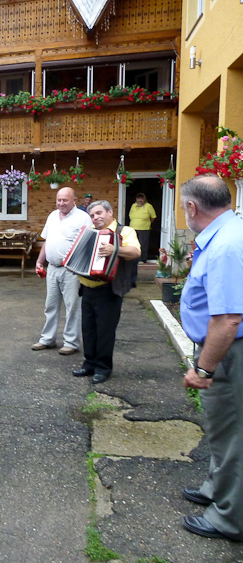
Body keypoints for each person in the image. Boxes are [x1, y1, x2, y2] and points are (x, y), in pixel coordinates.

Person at [178, 174, 243, 541]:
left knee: (234, 434)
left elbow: (229, 318)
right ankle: (217, 489)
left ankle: (230, 518)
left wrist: (203, 368)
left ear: (192, 207)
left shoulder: (226, 245)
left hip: (230, 352)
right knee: (222, 429)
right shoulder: (227, 233)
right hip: (226, 348)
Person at [72, 200, 140, 384]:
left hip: (109, 290)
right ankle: (89, 364)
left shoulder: (125, 231)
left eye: (99, 213)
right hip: (87, 289)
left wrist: (115, 249)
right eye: (92, 215)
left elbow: (135, 252)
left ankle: (103, 368)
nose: (95, 218)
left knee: (105, 331)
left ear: (110, 212)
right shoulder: (90, 233)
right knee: (88, 329)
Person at [32, 187, 92, 356]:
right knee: (50, 306)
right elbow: (47, 241)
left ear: (74, 200)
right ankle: (47, 339)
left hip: (72, 271)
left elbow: (89, 244)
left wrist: (81, 268)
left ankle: (71, 342)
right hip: (52, 268)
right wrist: (39, 261)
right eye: (59, 200)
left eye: (65, 200)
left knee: (72, 307)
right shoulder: (52, 216)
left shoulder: (83, 218)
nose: (61, 203)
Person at [128, 192, 157, 286]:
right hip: (133, 227)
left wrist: (147, 223)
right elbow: (130, 215)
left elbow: (153, 217)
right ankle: (134, 257)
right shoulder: (133, 206)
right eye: (138, 198)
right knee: (133, 243)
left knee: (143, 243)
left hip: (144, 228)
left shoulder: (148, 206)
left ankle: (142, 259)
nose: (139, 200)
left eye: (141, 199)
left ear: (144, 199)